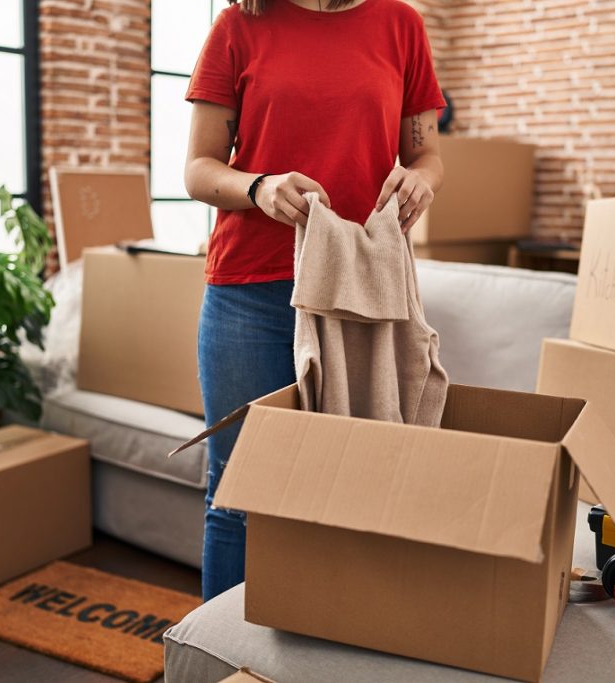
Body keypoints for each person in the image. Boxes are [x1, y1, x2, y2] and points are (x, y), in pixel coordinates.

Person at [184, 0, 446, 601]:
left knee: (356, 487)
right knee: (239, 492)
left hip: (358, 292)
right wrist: (259, 185)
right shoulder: (239, 25)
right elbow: (198, 170)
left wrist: (422, 180)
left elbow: (427, 154)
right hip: (250, 292)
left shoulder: (400, 25)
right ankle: (225, 664)